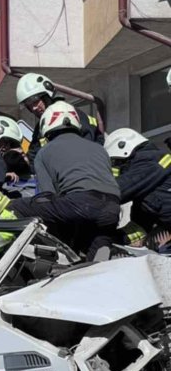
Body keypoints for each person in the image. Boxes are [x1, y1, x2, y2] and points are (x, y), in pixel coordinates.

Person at [10, 101, 120, 259]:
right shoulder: (99, 149)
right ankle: (98, 252)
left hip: (80, 204)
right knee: (95, 248)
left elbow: (47, 196)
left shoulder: (44, 153)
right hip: (112, 208)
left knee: (17, 207)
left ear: (46, 126)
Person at [105, 128, 171, 249]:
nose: (117, 167)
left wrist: (90, 195)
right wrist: (117, 238)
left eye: (117, 162)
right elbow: (141, 221)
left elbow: (119, 189)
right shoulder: (147, 186)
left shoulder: (148, 161)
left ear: (123, 149)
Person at [16, 72, 103, 164]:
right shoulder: (41, 126)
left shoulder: (70, 114)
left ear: (46, 97)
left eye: (35, 102)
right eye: (29, 105)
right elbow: (33, 155)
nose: (34, 108)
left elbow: (87, 146)